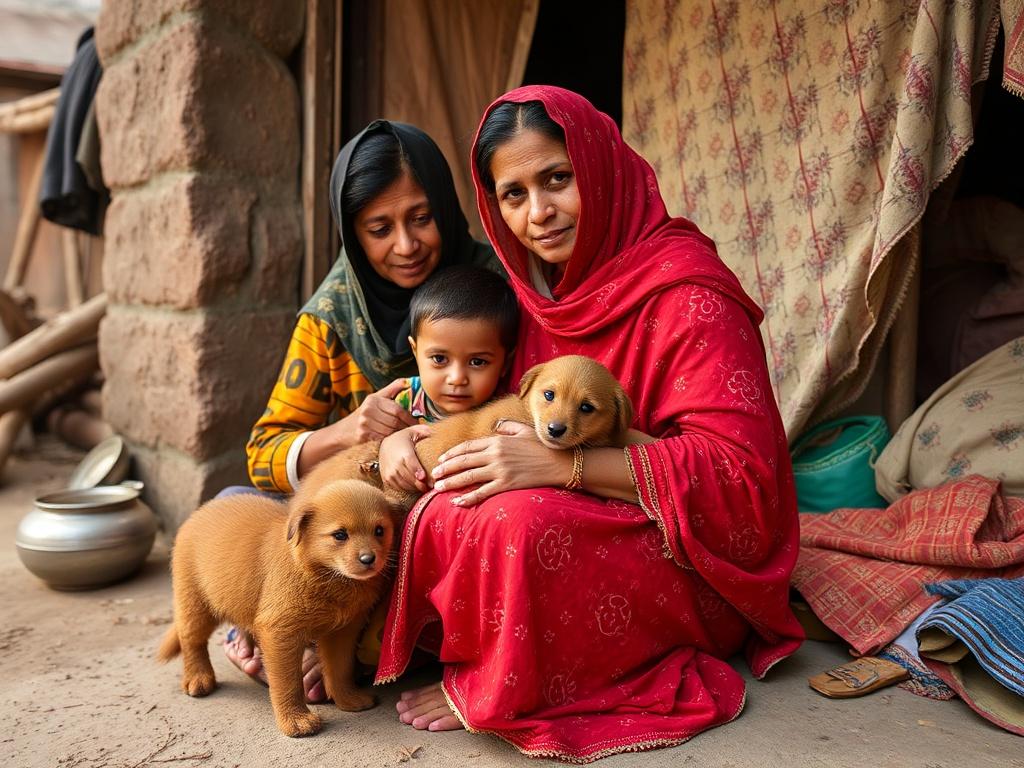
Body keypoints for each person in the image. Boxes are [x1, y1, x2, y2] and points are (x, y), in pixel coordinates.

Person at [374, 87, 804, 761]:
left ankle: (503, 679)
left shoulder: (690, 294)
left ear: (598, 170)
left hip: (687, 549)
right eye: (512, 195)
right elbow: (472, 403)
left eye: (557, 179)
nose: (538, 214)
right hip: (581, 506)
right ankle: (348, 639)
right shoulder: (535, 292)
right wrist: (404, 432)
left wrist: (564, 467)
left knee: (514, 523)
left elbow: (743, 484)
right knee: (437, 491)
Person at [223, 120, 501, 701]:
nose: (406, 245)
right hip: (359, 530)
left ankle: (337, 645)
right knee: (236, 510)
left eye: (421, 218)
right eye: (379, 228)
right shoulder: (330, 317)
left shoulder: (495, 291)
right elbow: (263, 455)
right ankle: (298, 630)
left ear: (447, 209)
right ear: (352, 233)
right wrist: (349, 433)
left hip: (451, 510)